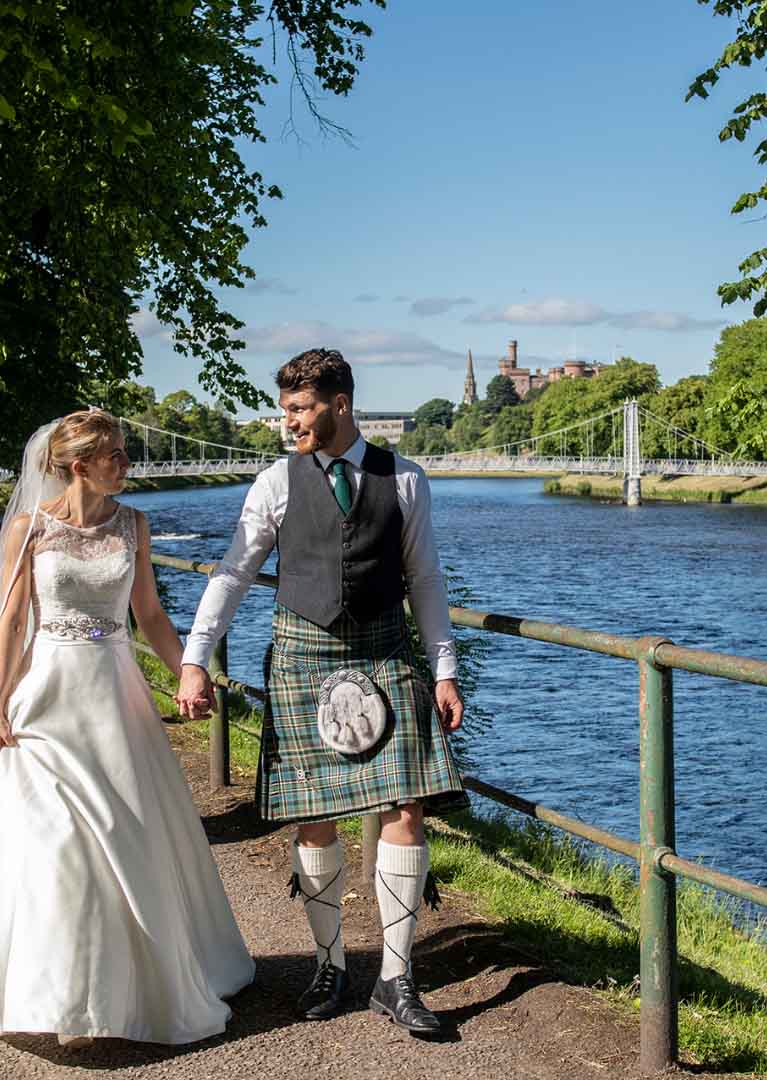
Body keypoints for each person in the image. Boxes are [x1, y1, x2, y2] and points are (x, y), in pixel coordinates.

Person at [0, 410, 254, 1046]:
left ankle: (125, 983)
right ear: (77, 464)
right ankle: (64, 1000)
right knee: (57, 843)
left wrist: (188, 675)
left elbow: (147, 612)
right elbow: (10, 624)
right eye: (115, 455)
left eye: (125, 452)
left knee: (124, 835)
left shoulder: (135, 525)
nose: (127, 464)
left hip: (115, 698)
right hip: (48, 698)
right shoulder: (27, 529)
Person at [175, 350, 466, 1036]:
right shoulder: (275, 481)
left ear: (340, 405)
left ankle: (397, 978)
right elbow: (232, 573)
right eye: (286, 411)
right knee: (315, 816)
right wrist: (194, 659)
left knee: (407, 805)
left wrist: (445, 668)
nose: (290, 423)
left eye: (300, 410)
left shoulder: (405, 480)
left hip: (386, 651)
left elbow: (423, 580)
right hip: (304, 655)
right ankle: (331, 964)